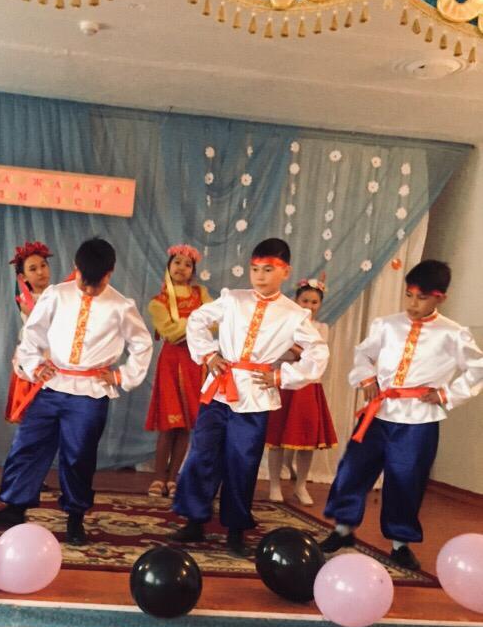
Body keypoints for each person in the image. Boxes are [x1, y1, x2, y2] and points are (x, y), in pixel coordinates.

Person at [0, 237, 153, 546]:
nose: (89, 289)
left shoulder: (121, 306)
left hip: (90, 393)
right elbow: (32, 334)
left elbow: (142, 344)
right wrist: (34, 366)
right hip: (53, 384)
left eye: (97, 284)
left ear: (109, 274)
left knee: (78, 456)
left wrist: (121, 376)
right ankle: (14, 507)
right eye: (84, 281)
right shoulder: (57, 295)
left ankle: (75, 517)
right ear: (76, 268)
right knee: (27, 444)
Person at [169, 238, 329, 557]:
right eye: (255, 269)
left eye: (268, 270)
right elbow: (198, 320)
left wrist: (282, 376)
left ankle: (236, 528)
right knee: (202, 454)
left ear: (285, 272)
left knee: (241, 461)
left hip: (254, 396)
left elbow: (318, 352)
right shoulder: (233, 299)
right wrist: (208, 354)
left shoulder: (294, 314)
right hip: (219, 389)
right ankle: (194, 519)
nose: (260, 276)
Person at [321, 259, 483, 571]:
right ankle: (342, 529)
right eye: (408, 295)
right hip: (379, 413)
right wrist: (367, 378)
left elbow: (477, 368)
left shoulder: (453, 334)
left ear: (440, 298)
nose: (412, 304)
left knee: (406, 479)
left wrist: (446, 394)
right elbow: (363, 354)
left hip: (418, 421)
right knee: (353, 468)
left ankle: (400, 543)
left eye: (421, 298)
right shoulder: (386, 325)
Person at [144, 244, 212, 499]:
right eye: (177, 262)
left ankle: (173, 478)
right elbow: (170, 334)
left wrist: (188, 324)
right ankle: (158, 477)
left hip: (195, 361)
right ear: (168, 266)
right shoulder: (158, 302)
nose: (181, 267)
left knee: (185, 425)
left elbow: (214, 323)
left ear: (193, 270)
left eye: (187, 264)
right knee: (168, 423)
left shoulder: (201, 293)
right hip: (172, 363)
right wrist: (196, 322)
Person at [266, 275, 337, 506]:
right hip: (284, 384)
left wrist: (295, 348)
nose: (309, 306)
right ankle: (274, 485)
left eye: (314, 302)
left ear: (320, 304)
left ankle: (300, 486)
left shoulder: (321, 328)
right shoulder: (283, 325)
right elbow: (277, 354)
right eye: (304, 301)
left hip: (309, 388)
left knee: (308, 441)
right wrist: (301, 351)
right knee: (277, 439)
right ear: (295, 301)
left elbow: (316, 358)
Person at [4, 241, 53, 424]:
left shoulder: (57, 294)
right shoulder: (26, 300)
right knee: (33, 414)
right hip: (34, 357)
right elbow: (43, 323)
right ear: (23, 277)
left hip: (55, 357)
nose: (40, 272)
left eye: (43, 266)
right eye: (33, 269)